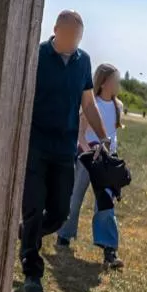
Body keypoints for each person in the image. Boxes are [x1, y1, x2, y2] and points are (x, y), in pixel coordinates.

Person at [18, 10, 113, 292]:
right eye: (70, 34)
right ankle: (32, 272)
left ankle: (27, 235)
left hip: (64, 148)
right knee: (33, 207)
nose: (74, 41)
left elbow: (88, 103)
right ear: (56, 29)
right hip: (35, 145)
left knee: (60, 213)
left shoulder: (83, 61)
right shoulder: (37, 55)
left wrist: (103, 137)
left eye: (79, 37)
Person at [56, 63, 126, 269]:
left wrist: (111, 156)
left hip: (107, 161)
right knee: (75, 197)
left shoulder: (118, 106)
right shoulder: (91, 103)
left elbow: (113, 135)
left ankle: (109, 250)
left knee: (106, 202)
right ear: (104, 82)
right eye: (115, 80)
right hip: (87, 158)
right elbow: (80, 133)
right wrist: (89, 153)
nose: (118, 83)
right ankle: (64, 235)